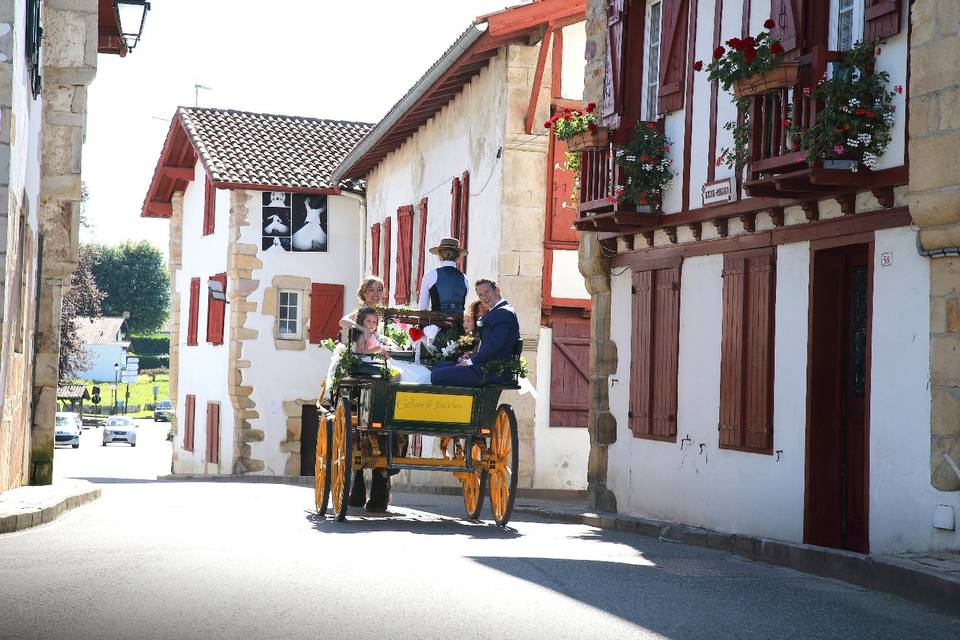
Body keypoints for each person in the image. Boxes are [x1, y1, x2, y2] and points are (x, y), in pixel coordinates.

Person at [431, 279, 519, 387]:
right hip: (483, 366)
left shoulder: (503, 312)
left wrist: (470, 362)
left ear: (497, 290)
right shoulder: (497, 311)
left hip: (490, 371)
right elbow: (485, 343)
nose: (484, 297)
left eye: (487, 292)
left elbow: (495, 345)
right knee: (440, 366)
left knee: (436, 376)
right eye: (480, 295)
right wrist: (469, 357)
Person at [353, 307, 432, 384]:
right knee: (396, 374)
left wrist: (383, 353)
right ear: (362, 322)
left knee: (411, 369)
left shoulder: (371, 335)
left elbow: (374, 351)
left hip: (378, 360)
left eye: (374, 322)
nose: (371, 324)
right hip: (369, 363)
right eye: (368, 321)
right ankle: (386, 390)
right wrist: (376, 349)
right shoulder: (363, 336)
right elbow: (359, 353)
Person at [418, 237, 469, 313]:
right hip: (459, 324)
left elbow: (423, 307)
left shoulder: (430, 275)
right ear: (458, 257)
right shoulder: (465, 279)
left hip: (436, 323)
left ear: (440, 256)